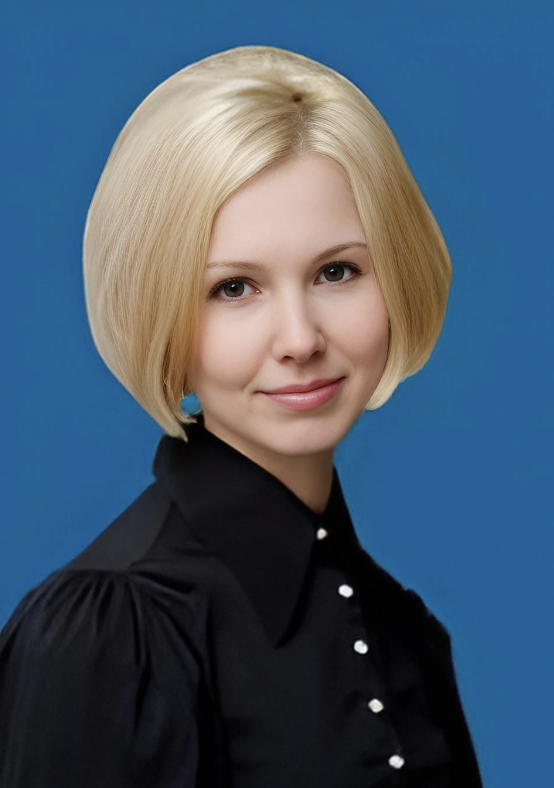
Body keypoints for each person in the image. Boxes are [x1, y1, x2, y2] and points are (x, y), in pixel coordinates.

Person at [0, 44, 483, 787]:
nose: (299, 340)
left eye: (336, 272)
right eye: (234, 288)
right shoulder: (110, 636)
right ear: (159, 312)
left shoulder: (405, 629)